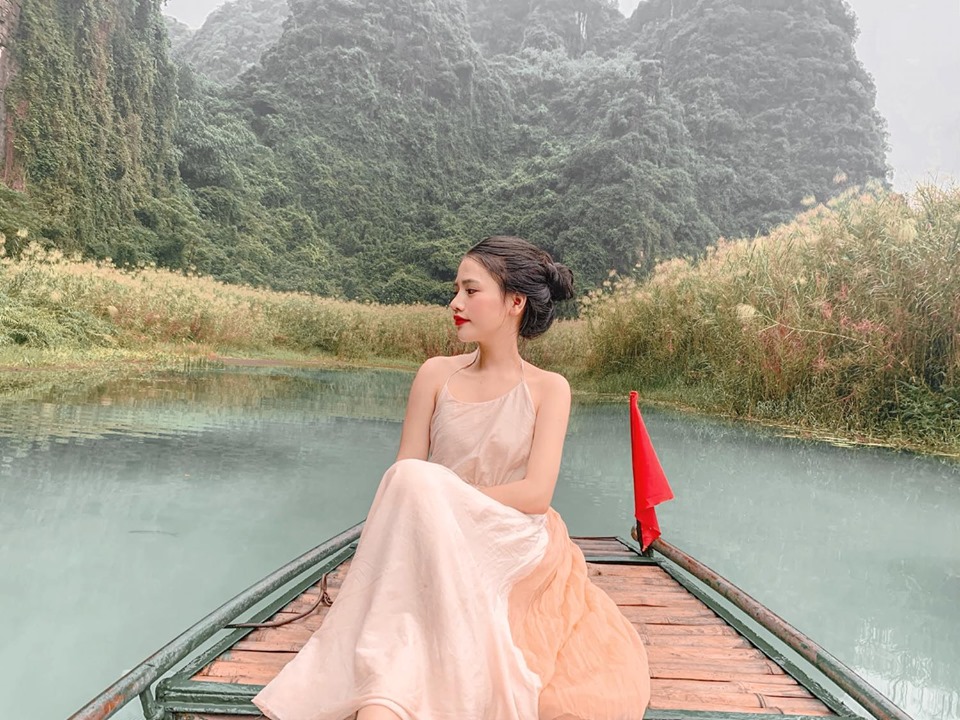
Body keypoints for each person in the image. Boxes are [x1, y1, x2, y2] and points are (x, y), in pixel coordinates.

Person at [253, 236, 651, 720]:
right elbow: (402, 477)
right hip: (432, 529)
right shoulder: (435, 374)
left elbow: (535, 494)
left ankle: (394, 688)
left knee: (417, 485)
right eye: (456, 290)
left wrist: (445, 500)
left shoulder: (549, 388)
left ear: (515, 302)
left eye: (471, 290)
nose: (455, 303)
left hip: (510, 534)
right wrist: (435, 507)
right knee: (409, 482)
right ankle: (386, 695)